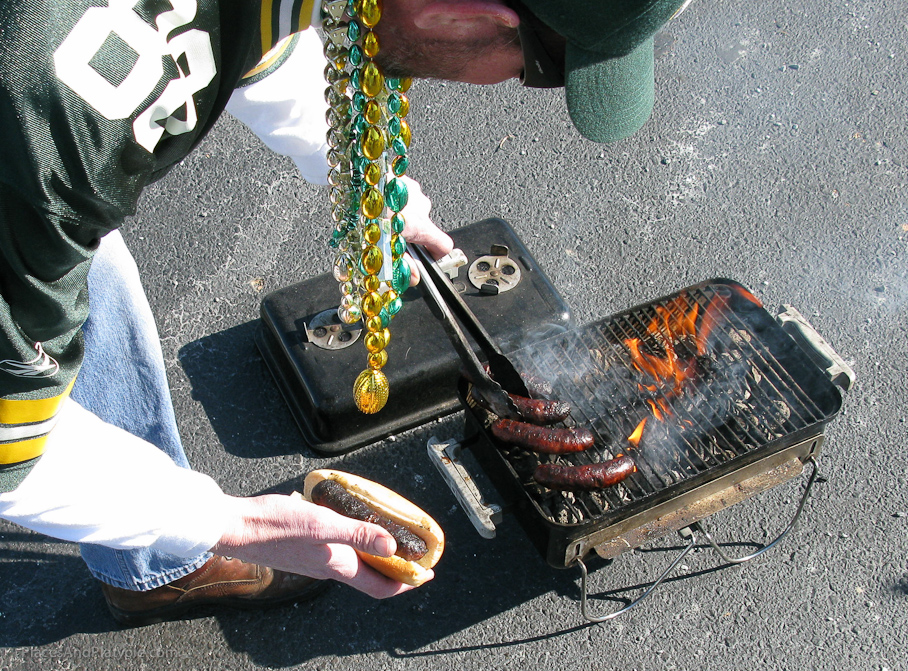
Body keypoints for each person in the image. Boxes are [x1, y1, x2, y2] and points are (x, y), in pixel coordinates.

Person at [0, 0, 692, 626]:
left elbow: (247, 42)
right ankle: (161, 565)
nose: (516, 82)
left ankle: (146, 555)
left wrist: (373, 184)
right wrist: (224, 521)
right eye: (536, 70)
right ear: (461, 15)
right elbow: (8, 442)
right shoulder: (53, 153)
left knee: (95, 267)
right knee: (67, 277)